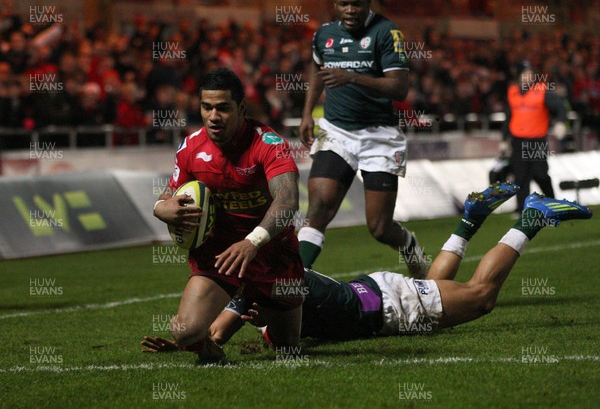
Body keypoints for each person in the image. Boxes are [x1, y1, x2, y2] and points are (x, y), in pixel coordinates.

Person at [143, 183, 592, 351]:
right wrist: (198, 338)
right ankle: (471, 219)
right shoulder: (276, 273)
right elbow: (224, 327)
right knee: (435, 286)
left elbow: (217, 333)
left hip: (383, 308)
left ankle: (532, 218)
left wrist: (192, 341)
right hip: (376, 290)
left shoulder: (255, 287)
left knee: (482, 297)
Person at [152, 68, 304, 361]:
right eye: (206, 107)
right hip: (219, 256)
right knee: (186, 332)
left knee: (287, 349)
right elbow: (168, 196)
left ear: (241, 109)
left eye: (223, 108)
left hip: (272, 251)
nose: (213, 116)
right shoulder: (190, 148)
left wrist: (252, 242)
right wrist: (162, 209)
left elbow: (288, 203)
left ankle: (255, 313)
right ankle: (213, 351)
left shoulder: (269, 145)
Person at [296, 0, 428, 277]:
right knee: (318, 208)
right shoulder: (324, 34)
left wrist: (352, 77)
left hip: (379, 136)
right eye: (344, 4)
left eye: (357, 4)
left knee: (379, 228)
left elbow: (399, 88)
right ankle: (292, 283)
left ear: (368, 2)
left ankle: (409, 244)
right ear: (335, 3)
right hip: (336, 132)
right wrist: (307, 113)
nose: (350, 10)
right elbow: (318, 70)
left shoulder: (386, 32)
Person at [502, 62, 569, 211]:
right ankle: (521, 209)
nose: (528, 77)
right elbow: (508, 117)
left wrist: (561, 122)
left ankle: (552, 201)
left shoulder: (542, 91)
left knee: (540, 174)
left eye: (530, 74)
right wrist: (504, 139)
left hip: (536, 140)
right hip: (518, 140)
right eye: (525, 74)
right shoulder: (512, 92)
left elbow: (561, 106)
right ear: (519, 76)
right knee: (520, 176)